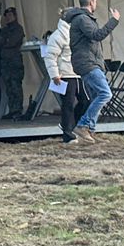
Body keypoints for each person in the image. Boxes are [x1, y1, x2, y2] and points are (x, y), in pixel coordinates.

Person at [62, 0, 123, 141]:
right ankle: (83, 126)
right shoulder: (82, 19)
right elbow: (98, 35)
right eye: (95, 2)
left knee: (96, 95)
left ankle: (89, 131)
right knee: (105, 94)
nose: (96, 4)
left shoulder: (83, 19)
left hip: (89, 63)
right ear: (91, 3)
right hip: (87, 64)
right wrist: (114, 20)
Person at [42, 11, 79, 145]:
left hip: (79, 72)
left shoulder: (78, 32)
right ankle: (68, 134)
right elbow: (50, 56)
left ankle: (72, 126)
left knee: (87, 100)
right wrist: (55, 75)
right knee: (68, 103)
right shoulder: (57, 35)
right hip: (65, 73)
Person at [0, 6, 27, 120]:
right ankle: (12, 109)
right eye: (7, 16)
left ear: (14, 16)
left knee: (16, 86)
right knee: (9, 87)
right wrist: (4, 40)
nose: (8, 18)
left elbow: (12, 42)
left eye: (10, 15)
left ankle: (17, 110)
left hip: (14, 62)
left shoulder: (18, 29)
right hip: (5, 62)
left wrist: (4, 40)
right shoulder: (4, 30)